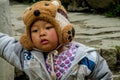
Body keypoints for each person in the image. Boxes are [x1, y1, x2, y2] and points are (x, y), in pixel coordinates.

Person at [0, 0, 113, 80]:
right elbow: (4, 44)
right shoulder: (26, 55)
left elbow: (103, 76)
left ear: (63, 30)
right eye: (34, 31)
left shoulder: (86, 58)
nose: (42, 33)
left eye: (48, 28)